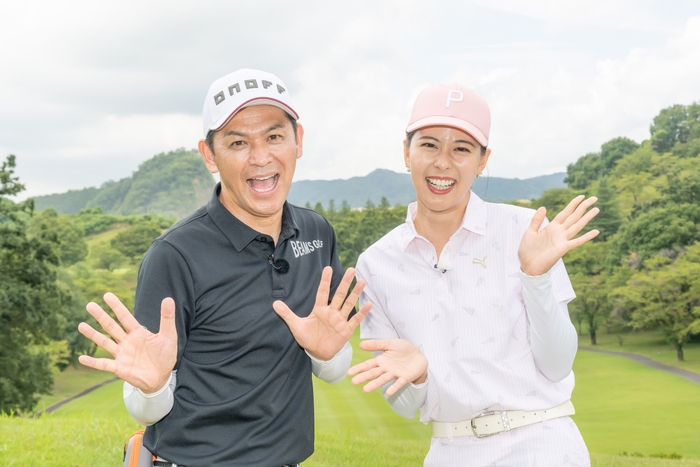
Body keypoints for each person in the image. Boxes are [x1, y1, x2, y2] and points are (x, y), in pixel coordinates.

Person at [77, 68, 371, 467]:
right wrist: (153, 386)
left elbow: (333, 371)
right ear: (209, 155)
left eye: (274, 136)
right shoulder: (174, 254)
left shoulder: (316, 232)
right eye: (237, 142)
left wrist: (325, 354)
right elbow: (146, 407)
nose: (261, 157)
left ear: (298, 140)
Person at [347, 83, 598, 466]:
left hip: (543, 444)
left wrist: (536, 278)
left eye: (461, 149)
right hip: (450, 451)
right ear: (406, 151)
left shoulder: (524, 231)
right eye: (429, 144)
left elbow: (558, 363)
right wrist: (416, 377)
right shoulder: (376, 263)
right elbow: (403, 404)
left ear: (483, 161)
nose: (442, 162)